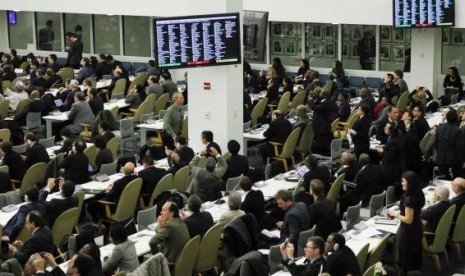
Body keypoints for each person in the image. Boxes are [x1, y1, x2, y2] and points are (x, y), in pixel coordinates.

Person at [388, 171, 425, 274]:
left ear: (410, 183)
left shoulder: (409, 199)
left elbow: (408, 220)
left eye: (404, 181)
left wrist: (395, 214)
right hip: (417, 227)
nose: (402, 183)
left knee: (407, 256)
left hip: (409, 231)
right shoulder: (419, 193)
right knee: (415, 253)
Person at [435, 109, 461, 179]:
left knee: (443, 178)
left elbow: (436, 143)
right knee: (456, 178)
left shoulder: (440, 128)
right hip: (453, 159)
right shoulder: (457, 130)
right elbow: (459, 147)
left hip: (441, 157)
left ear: (446, 117)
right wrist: (462, 160)